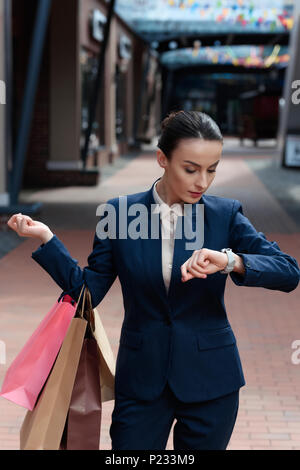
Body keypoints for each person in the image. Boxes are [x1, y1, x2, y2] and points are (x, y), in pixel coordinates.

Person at [7, 110, 300, 450]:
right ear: (162, 158)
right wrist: (46, 239)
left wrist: (230, 261)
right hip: (142, 383)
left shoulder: (225, 214)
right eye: (190, 169)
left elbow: (288, 271)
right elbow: (88, 291)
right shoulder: (118, 215)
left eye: (212, 169)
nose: (202, 182)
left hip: (212, 380)